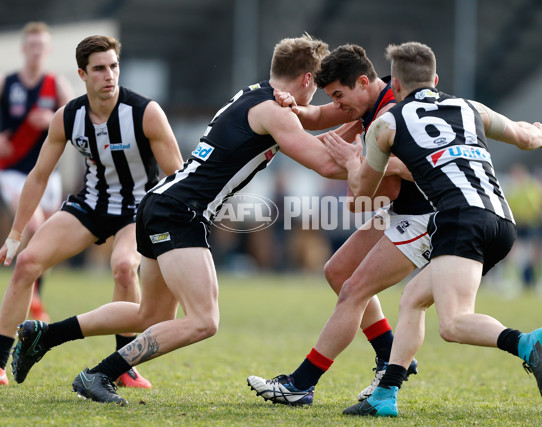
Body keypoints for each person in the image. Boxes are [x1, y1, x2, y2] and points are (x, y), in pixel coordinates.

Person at [10, 34, 372, 406]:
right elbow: (328, 162)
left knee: (149, 314)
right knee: (204, 320)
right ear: (308, 80)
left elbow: (322, 120)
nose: (326, 100)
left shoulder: (256, 96)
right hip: (181, 212)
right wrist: (365, 150)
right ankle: (99, 374)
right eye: (322, 88)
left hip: (160, 202)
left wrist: (365, 115)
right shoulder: (274, 112)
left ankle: (46, 335)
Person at [322, 41, 542, 417]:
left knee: (454, 323)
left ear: (393, 85)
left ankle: (524, 343)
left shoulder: (387, 122)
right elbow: (525, 137)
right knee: (413, 299)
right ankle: (385, 395)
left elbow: (364, 189)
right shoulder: (469, 108)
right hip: (502, 220)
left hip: (460, 219)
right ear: (435, 79)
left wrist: (352, 161)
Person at [0, 35, 183, 389]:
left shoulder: (145, 112)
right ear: (82, 74)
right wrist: (16, 234)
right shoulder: (69, 117)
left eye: (113, 66)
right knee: (26, 263)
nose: (109, 75)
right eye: (99, 69)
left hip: (138, 209)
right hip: (91, 205)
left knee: (124, 267)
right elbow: (38, 177)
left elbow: (177, 178)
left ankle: (123, 366)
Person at [247, 44, 424, 406]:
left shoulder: (388, 112)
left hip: (424, 213)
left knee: (356, 291)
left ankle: (300, 384)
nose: (338, 106)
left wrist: (357, 163)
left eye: (341, 97)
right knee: (338, 271)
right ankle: (390, 353)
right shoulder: (372, 101)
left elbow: (378, 189)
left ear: (362, 82)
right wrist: (289, 105)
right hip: (401, 209)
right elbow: (317, 117)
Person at [0, 22, 74, 324]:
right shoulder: (8, 83)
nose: (35, 51)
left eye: (41, 46)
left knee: (46, 235)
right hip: (14, 172)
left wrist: (54, 119)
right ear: (23, 49)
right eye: (31, 46)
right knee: (33, 225)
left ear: (48, 50)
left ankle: (36, 293)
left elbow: (75, 118)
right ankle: (30, 293)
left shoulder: (56, 85)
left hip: (47, 173)